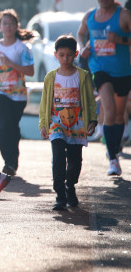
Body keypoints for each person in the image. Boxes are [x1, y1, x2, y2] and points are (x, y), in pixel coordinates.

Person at [77, 0, 131, 175]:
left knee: (119, 115)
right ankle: (113, 158)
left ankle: (114, 148)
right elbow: (81, 33)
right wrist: (83, 48)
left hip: (123, 71)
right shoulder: (90, 16)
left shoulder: (124, 15)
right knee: (109, 110)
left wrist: (120, 39)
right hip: (99, 69)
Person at [39, 35, 97, 210]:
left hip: (77, 124)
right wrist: (43, 124)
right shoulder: (50, 77)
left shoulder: (83, 76)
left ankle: (70, 186)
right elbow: (44, 102)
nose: (65, 59)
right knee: (58, 157)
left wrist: (92, 120)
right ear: (55, 55)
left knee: (75, 160)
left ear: (76, 54)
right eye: (62, 55)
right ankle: (60, 195)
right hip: (56, 123)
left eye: (69, 55)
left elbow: (90, 100)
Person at [0, 8, 35, 194]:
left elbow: (30, 71)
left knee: (12, 126)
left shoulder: (22, 48)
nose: (8, 26)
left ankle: (13, 160)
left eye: (11, 23)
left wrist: (10, 63)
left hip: (18, 94)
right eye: (4, 23)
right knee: (3, 126)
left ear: (16, 26)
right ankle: (9, 163)